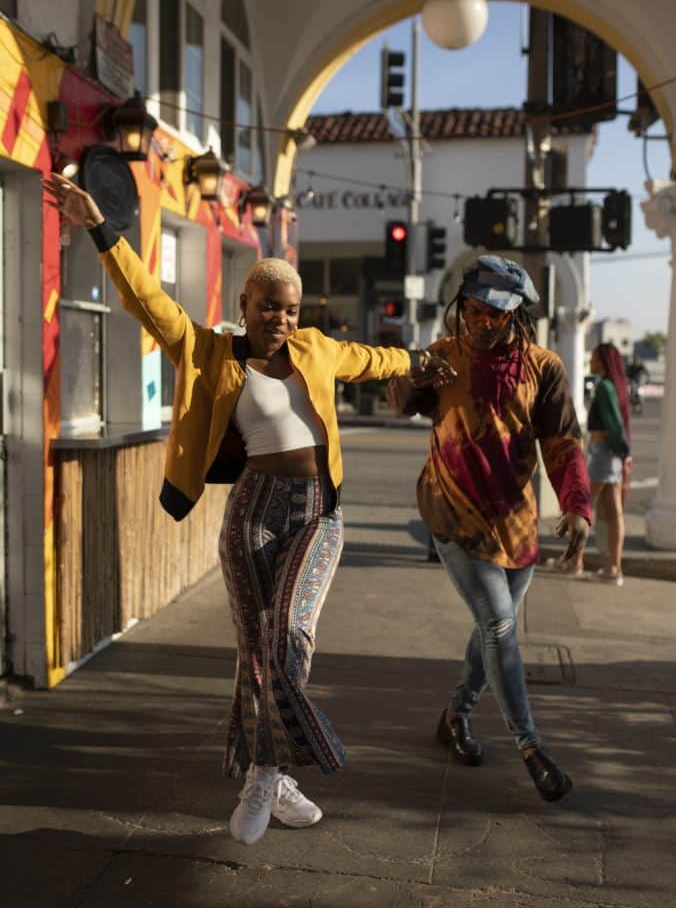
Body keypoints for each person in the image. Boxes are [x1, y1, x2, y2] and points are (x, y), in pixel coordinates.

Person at [43, 172, 454, 845]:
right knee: (252, 646)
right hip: (251, 510)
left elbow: (372, 359)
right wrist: (99, 227)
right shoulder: (208, 351)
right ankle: (270, 776)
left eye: (290, 309)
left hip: (317, 510)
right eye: (269, 306)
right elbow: (147, 301)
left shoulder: (316, 349)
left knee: (287, 632)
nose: (281, 319)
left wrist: (418, 362)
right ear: (245, 301)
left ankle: (267, 771)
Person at [386, 255, 592, 803]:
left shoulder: (544, 368)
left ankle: (456, 716)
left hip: (516, 525)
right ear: (463, 307)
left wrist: (577, 505)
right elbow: (398, 402)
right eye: (474, 311)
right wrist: (411, 378)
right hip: (452, 515)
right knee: (500, 625)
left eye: (494, 316)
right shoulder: (443, 357)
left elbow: (563, 443)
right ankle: (532, 747)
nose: (480, 322)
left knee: (489, 632)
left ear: (516, 316)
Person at [557, 342, 631, 585]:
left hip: (603, 455)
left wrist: (623, 451)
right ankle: (613, 569)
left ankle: (573, 561)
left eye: (594, 357)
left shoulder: (604, 387)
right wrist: (623, 453)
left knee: (581, 508)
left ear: (602, 360)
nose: (590, 360)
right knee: (613, 512)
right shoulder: (615, 386)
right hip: (612, 456)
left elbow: (612, 423)